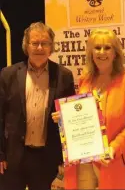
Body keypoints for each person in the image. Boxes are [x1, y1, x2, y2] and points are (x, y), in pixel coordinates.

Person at [52, 28, 125, 189]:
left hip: (112, 159)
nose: (102, 52)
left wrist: (114, 148)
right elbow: (80, 114)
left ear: (115, 53)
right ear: (91, 52)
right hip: (82, 159)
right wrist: (64, 117)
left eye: (107, 47)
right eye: (97, 47)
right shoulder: (85, 80)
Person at [0, 22, 75, 190]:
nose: (39, 47)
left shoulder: (64, 76)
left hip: (45, 159)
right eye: (34, 43)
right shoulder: (8, 75)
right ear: (26, 46)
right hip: (13, 158)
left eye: (45, 43)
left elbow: (71, 119)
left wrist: (65, 118)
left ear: (51, 47)